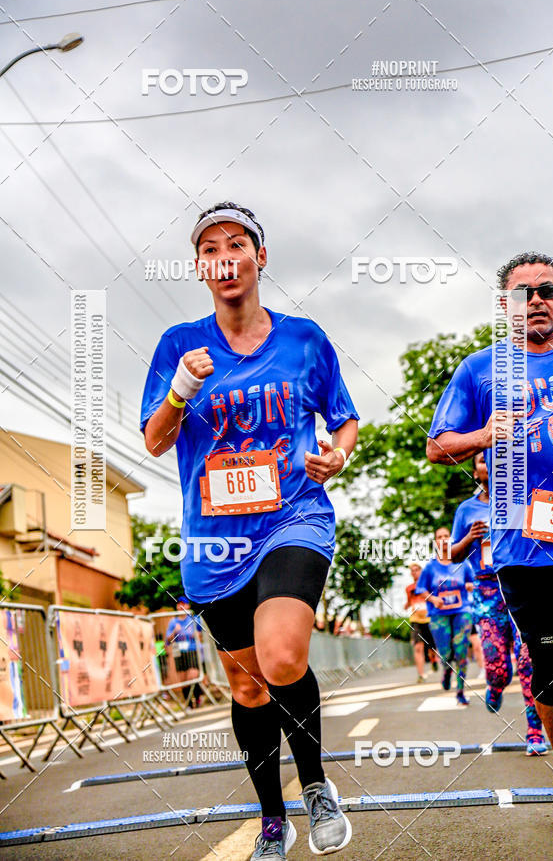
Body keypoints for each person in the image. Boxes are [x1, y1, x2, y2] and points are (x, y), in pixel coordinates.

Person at [141, 202, 358, 858]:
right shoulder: (180, 343)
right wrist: (180, 387)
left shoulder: (303, 339)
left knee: (282, 656)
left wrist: (338, 452)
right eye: (211, 249)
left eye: (237, 244)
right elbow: (154, 440)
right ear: (201, 268)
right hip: (214, 543)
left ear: (259, 258)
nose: (225, 256)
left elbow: (343, 418)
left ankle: (316, 786)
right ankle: (273, 816)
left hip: (294, 515)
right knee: (246, 685)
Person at [426, 251, 553, 826]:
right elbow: (438, 446)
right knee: (551, 670)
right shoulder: (480, 370)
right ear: (506, 307)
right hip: (524, 547)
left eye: (547, 289)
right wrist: (484, 432)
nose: (537, 301)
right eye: (523, 293)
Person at [450, 453, 547, 755]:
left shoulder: (525, 497)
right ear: (475, 470)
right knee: (496, 665)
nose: (489, 464)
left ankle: (534, 733)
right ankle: (495, 684)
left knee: (530, 662)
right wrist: (469, 538)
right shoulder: (467, 509)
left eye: (495, 458)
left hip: (523, 584)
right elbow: (450, 554)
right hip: (487, 590)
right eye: (481, 460)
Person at [415, 526, 475, 705]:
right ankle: (447, 669)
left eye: (446, 536)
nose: (443, 539)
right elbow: (420, 589)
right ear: (435, 542)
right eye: (439, 537)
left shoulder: (462, 564)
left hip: (462, 611)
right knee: (445, 652)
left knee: (461, 650)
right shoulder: (430, 567)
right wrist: (433, 599)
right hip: (438, 615)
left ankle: (460, 691)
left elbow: (473, 581)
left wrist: (471, 586)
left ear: (451, 539)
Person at [165, 597, 204, 708]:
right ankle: (188, 703)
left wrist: (198, 635)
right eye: (179, 604)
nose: (181, 607)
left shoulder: (194, 619)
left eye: (183, 604)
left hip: (193, 650)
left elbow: (202, 635)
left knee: (193, 676)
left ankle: (197, 698)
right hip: (180, 652)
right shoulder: (173, 622)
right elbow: (168, 640)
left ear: (188, 606)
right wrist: (174, 632)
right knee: (183, 679)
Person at [404, 562, 438, 683]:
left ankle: (433, 660)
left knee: (432, 648)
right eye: (412, 570)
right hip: (416, 620)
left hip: (429, 619)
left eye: (416, 570)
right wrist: (406, 606)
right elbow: (409, 602)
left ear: (421, 571)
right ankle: (421, 674)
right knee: (418, 647)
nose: (414, 572)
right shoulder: (409, 588)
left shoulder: (428, 585)